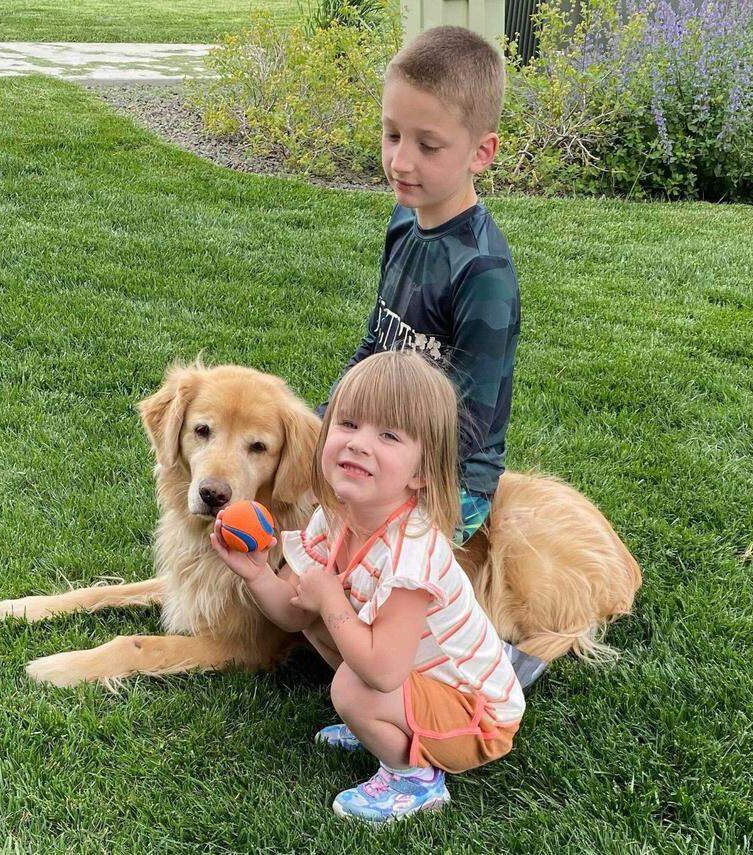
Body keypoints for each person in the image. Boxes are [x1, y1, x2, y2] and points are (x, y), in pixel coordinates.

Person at [211, 350, 524, 823]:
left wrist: (332, 598)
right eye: (348, 423)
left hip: (477, 715)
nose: (358, 443)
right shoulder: (334, 517)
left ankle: (413, 780)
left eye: (389, 435)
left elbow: (379, 671)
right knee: (318, 623)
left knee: (354, 687)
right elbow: (295, 613)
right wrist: (256, 572)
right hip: (414, 681)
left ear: (421, 472)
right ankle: (388, 721)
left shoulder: (411, 555)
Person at [316, 25, 520, 550]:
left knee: (374, 577)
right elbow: (374, 346)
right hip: (380, 445)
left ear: (482, 152)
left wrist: (383, 482)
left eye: (427, 145)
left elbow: (469, 425)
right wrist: (320, 427)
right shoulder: (404, 220)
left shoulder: (483, 272)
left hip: (449, 477)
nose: (401, 162)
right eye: (392, 135)